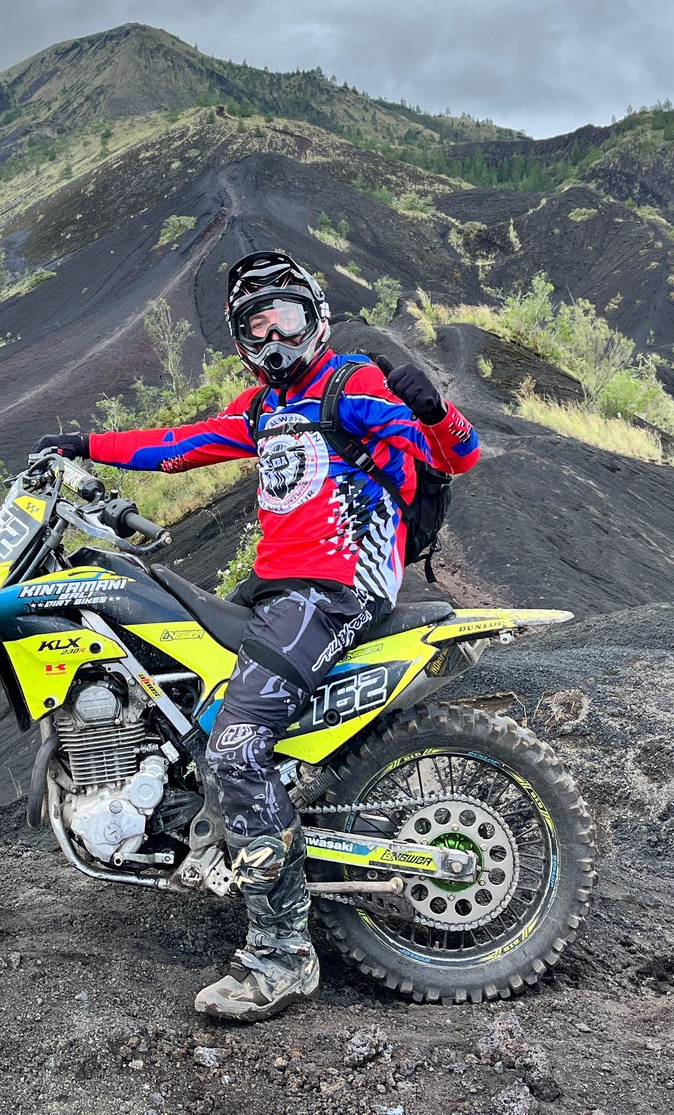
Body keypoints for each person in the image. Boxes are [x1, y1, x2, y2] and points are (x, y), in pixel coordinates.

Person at [34, 250, 482, 1021]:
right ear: (243, 341)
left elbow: (456, 456)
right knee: (182, 689)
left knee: (236, 748)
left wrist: (429, 416)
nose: (274, 339)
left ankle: (282, 955)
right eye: (256, 327)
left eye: (287, 320)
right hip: (277, 589)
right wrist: (84, 445)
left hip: (336, 589)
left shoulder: (353, 385)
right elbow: (177, 445)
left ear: (317, 319)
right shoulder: (262, 409)